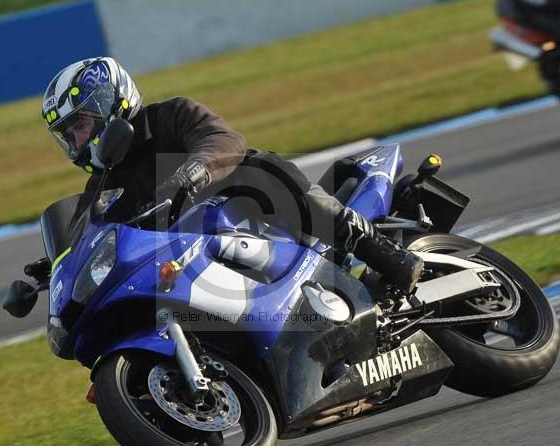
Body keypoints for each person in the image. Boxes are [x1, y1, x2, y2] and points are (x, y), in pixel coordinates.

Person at [41, 57, 423, 294]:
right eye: (67, 135)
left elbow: (224, 140)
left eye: (81, 125)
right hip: (203, 260)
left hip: (251, 212)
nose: (76, 141)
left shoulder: (170, 116)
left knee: (259, 172)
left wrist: (192, 173)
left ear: (113, 103)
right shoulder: (104, 186)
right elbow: (86, 237)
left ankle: (381, 251)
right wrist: (55, 270)